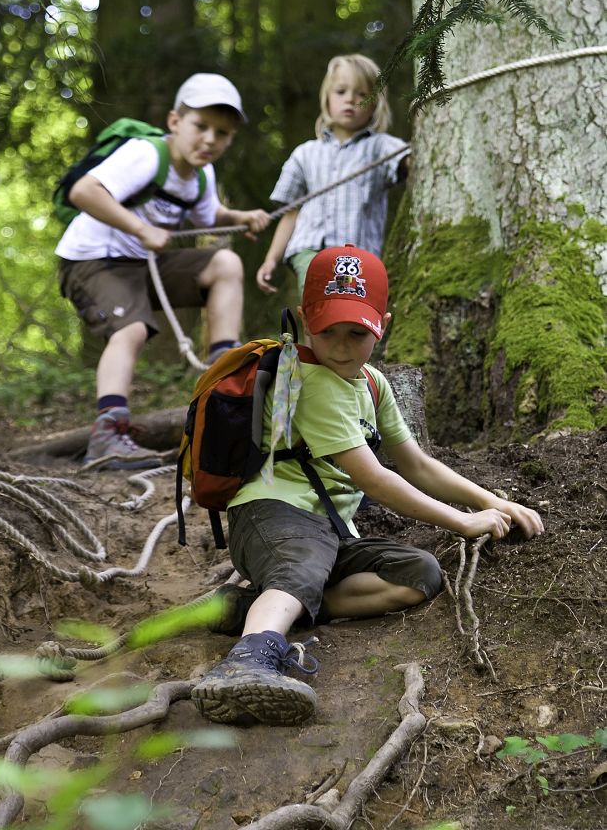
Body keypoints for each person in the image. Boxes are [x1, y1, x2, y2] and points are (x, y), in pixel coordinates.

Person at [192, 244, 544, 727]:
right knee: (300, 563)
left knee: (417, 575)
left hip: (329, 532)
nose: (339, 344)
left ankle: (251, 608)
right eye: (327, 329)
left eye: (356, 332)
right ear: (302, 318)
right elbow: (375, 479)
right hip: (272, 513)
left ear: (383, 324)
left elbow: (416, 463)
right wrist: (463, 522)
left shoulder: (372, 382)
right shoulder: (314, 383)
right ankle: (249, 658)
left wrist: (490, 500)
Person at [56, 73, 270, 469]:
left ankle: (224, 384)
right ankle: (108, 435)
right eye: (200, 126)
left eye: (222, 134)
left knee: (225, 263)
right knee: (131, 330)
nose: (210, 140)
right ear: (175, 122)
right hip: (92, 260)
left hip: (145, 264)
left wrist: (241, 217)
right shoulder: (146, 154)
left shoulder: (202, 174)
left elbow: (209, 217)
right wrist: (140, 228)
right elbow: (83, 191)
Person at [256, 53, 409, 297]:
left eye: (361, 94)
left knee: (348, 311)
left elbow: (408, 161)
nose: (350, 99)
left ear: (375, 103)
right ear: (326, 98)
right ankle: (314, 333)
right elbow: (290, 212)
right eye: (341, 91)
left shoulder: (381, 147)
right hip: (309, 249)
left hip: (359, 255)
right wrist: (271, 260)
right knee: (319, 300)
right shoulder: (305, 153)